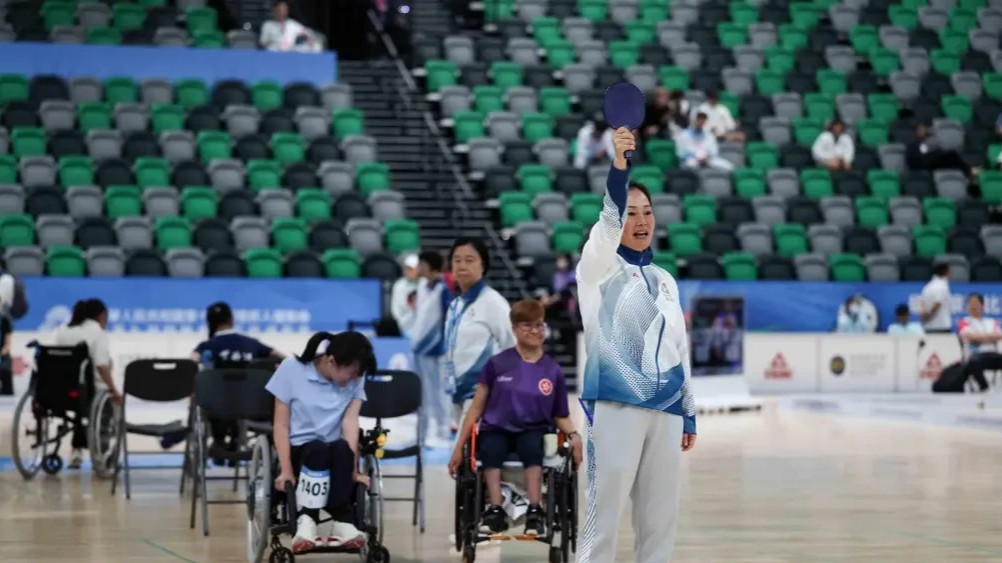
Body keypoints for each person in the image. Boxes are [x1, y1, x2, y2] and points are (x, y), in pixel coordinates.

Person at [576, 128, 696, 563]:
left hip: (665, 410)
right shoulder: (598, 269)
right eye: (631, 213)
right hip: (614, 405)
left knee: (659, 522)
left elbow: (679, 352)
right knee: (602, 519)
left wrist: (689, 412)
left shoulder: (666, 281)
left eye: (647, 213)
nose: (641, 221)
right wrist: (619, 165)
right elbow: (608, 224)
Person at [448, 299, 583, 536]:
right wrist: (459, 448)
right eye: (527, 326)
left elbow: (560, 414)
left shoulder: (552, 370)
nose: (535, 331)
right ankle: (495, 509)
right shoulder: (496, 364)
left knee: (533, 446)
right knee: (491, 448)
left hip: (533, 429)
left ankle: (534, 510)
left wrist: (574, 436)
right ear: (514, 330)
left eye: (539, 325)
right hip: (497, 428)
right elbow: (476, 408)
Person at [267, 331, 377, 554]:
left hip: (335, 454)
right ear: (332, 361)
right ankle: (306, 519)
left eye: (359, 374)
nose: (354, 379)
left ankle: (343, 523)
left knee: (343, 449)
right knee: (317, 449)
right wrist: (286, 470)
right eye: (351, 373)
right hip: (300, 452)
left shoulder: (356, 379)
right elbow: (281, 425)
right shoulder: (291, 370)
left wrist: (354, 471)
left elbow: (350, 422)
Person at [161, 302, 287, 453]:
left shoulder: (207, 346)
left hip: (217, 407)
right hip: (252, 407)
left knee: (205, 396)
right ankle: (233, 440)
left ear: (210, 323)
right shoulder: (252, 344)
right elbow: (283, 360)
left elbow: (190, 366)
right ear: (231, 319)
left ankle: (217, 441)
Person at [443, 237, 516, 431]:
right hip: (456, 391)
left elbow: (513, 345)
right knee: (465, 456)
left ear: (483, 265)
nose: (462, 265)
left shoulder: (493, 302)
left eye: (469, 260)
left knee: (462, 453)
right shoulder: (455, 305)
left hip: (482, 393)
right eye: (457, 260)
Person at [54, 298, 122, 469]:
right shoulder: (97, 333)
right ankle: (104, 454)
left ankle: (76, 450)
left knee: (81, 410)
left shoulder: (62, 331)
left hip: (58, 391)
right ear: (102, 315)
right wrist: (114, 390)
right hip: (88, 392)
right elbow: (101, 365)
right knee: (112, 403)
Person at [410, 250, 453, 445]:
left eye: (420, 264)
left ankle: (443, 430)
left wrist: (444, 345)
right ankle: (423, 433)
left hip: (434, 348)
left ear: (428, 266)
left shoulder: (442, 290)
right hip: (418, 346)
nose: (418, 268)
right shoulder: (421, 286)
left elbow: (447, 319)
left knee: (436, 391)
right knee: (421, 393)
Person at [959, 293, 1002, 392]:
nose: (973, 306)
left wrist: (980, 337)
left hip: (992, 355)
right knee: (974, 361)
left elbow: (999, 336)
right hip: (976, 355)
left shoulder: (991, 321)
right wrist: (989, 337)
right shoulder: (965, 321)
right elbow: (971, 338)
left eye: (976, 303)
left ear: (982, 306)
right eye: (970, 303)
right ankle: (984, 387)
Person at [906, 122, 976, 178]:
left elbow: (936, 150)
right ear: (916, 132)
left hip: (932, 161)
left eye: (925, 128)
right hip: (921, 163)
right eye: (921, 129)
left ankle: (965, 174)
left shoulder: (930, 141)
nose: (924, 130)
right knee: (951, 154)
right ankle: (969, 171)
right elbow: (919, 154)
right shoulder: (914, 144)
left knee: (950, 157)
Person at [390, 253, 420, 338]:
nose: (409, 272)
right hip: (404, 327)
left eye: (412, 269)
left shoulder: (424, 284)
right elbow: (395, 311)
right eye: (407, 269)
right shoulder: (399, 285)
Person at [920, 263, 953, 334]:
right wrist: (928, 317)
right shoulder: (942, 286)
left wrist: (924, 318)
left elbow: (922, 304)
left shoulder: (927, 287)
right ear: (946, 272)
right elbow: (938, 303)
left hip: (928, 327)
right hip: (941, 327)